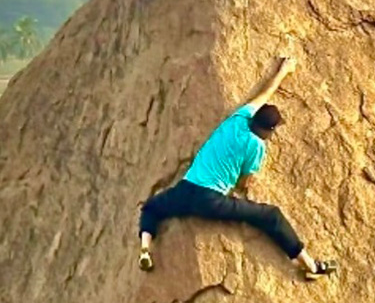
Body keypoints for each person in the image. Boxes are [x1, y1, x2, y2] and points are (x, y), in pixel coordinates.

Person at [137, 56, 336, 280]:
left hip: (187, 187)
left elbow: (264, 95)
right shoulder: (256, 146)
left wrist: (283, 71)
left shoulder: (238, 118)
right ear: (270, 130)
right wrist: (238, 185)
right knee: (270, 216)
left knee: (151, 207)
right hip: (211, 201)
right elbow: (244, 181)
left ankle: (145, 249)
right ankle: (311, 266)